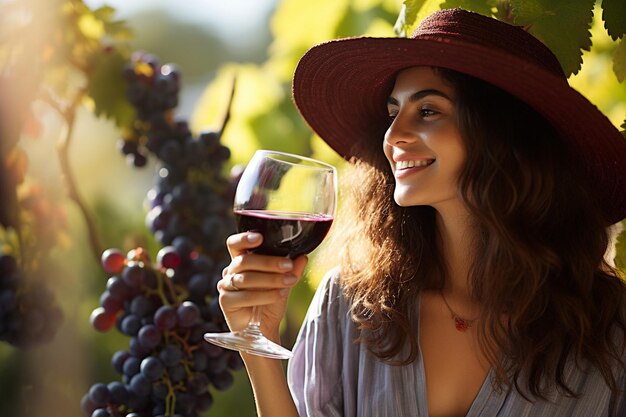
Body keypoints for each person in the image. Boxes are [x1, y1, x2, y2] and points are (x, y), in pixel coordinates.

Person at [217, 8, 626, 417]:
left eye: (428, 110)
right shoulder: (352, 303)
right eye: (393, 113)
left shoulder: (610, 328)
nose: (393, 136)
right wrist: (259, 345)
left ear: (505, 134)